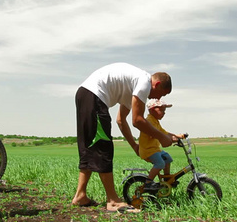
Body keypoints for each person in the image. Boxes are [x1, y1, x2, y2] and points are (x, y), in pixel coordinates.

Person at [72, 62, 179, 213]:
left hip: (86, 94)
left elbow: (121, 120)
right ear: (157, 84)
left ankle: (80, 195)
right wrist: (162, 137)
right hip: (94, 96)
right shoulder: (144, 83)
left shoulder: (134, 87)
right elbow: (137, 120)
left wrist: (134, 146)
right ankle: (113, 201)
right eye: (162, 93)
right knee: (103, 148)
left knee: (91, 147)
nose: (159, 97)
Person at [138, 99, 182, 190]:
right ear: (152, 110)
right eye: (161, 110)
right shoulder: (149, 121)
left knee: (168, 158)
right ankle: (148, 182)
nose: (164, 113)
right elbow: (156, 135)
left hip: (155, 149)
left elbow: (164, 133)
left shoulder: (155, 121)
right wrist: (167, 139)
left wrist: (177, 136)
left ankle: (166, 178)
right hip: (148, 150)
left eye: (164, 110)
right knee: (160, 163)